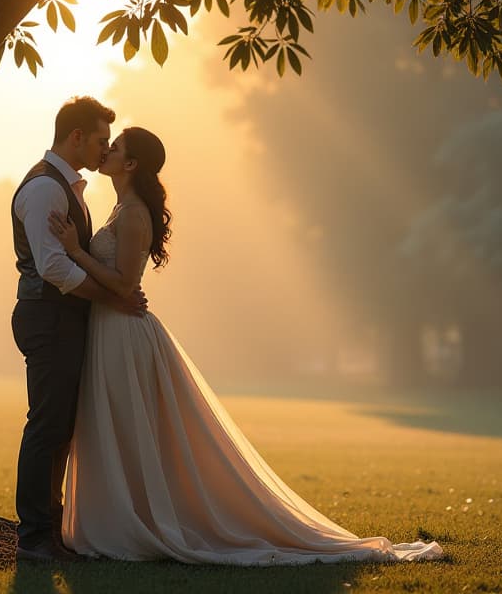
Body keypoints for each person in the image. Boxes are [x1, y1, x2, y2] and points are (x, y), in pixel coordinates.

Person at [48, 126, 443, 566]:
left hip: (123, 333)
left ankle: (136, 524)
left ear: (131, 164)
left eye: (115, 147)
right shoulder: (121, 208)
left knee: (128, 426)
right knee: (115, 427)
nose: (107, 151)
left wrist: (74, 252)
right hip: (110, 329)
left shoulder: (134, 213)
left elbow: (125, 283)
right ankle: (118, 519)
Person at [10, 96, 146, 564]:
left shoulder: (68, 188)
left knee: (62, 427)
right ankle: (32, 537)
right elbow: (53, 268)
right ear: (76, 137)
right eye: (101, 140)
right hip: (47, 318)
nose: (103, 149)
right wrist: (114, 297)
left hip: (64, 319)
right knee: (47, 424)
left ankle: (50, 527)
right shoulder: (46, 189)